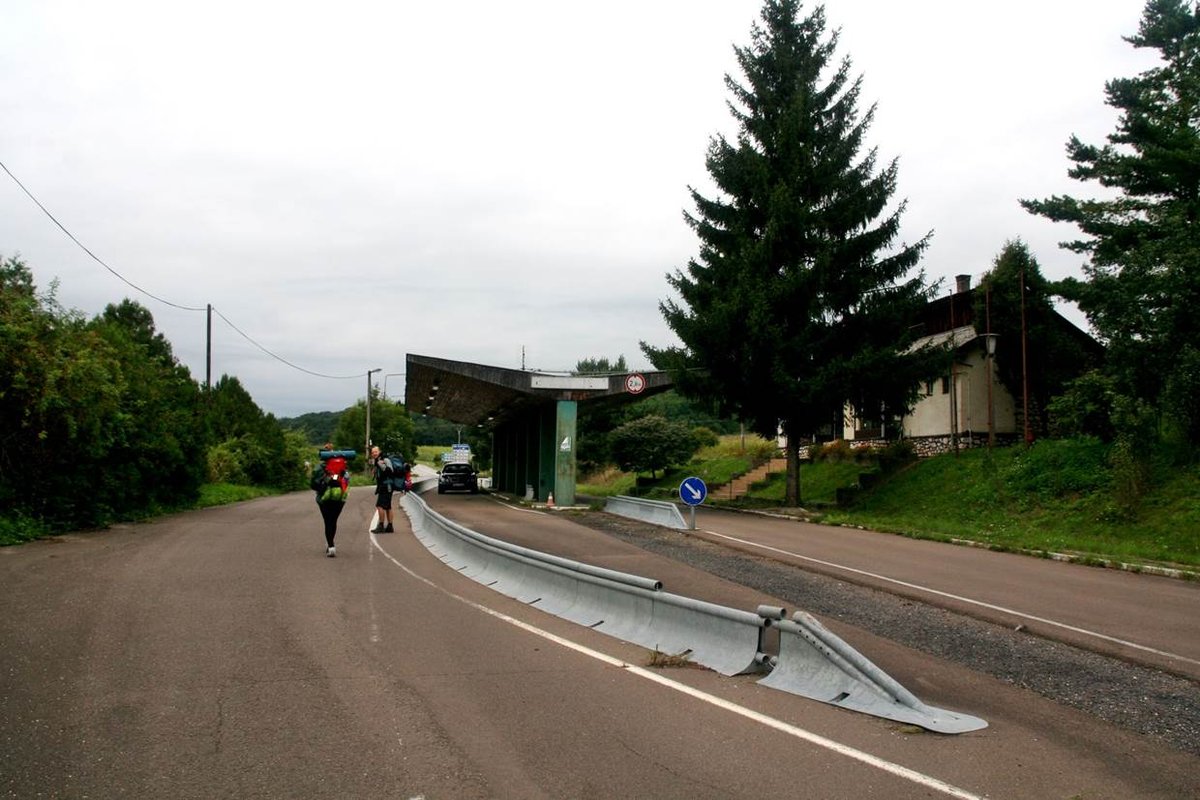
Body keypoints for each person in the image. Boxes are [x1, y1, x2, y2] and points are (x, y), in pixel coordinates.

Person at [311, 442, 350, 557]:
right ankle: (330, 545)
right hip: (339, 497)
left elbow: (313, 484)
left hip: (324, 498)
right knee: (333, 521)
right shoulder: (342, 466)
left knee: (327, 521)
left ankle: (331, 546)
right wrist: (337, 477)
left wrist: (327, 478)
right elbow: (346, 480)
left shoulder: (320, 467)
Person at [370, 445, 395, 533]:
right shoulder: (378, 460)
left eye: (375, 452)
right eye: (372, 452)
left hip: (386, 485)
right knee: (388, 506)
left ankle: (381, 526)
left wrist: (380, 465)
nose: (374, 454)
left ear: (379, 451)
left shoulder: (384, 459)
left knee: (380, 505)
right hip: (386, 485)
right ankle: (390, 526)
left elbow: (389, 471)